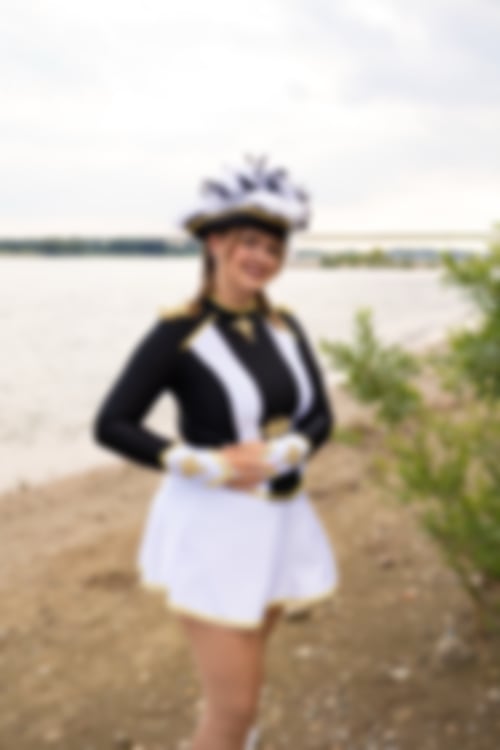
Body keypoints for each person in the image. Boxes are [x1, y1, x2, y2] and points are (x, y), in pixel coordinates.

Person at [92, 153, 340, 750]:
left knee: (241, 703)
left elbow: (321, 415)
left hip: (281, 523)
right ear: (216, 242)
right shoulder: (179, 332)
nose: (263, 258)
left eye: (275, 249)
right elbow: (112, 424)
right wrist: (205, 464)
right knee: (235, 708)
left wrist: (288, 450)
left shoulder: (286, 326)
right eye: (250, 242)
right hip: (211, 529)